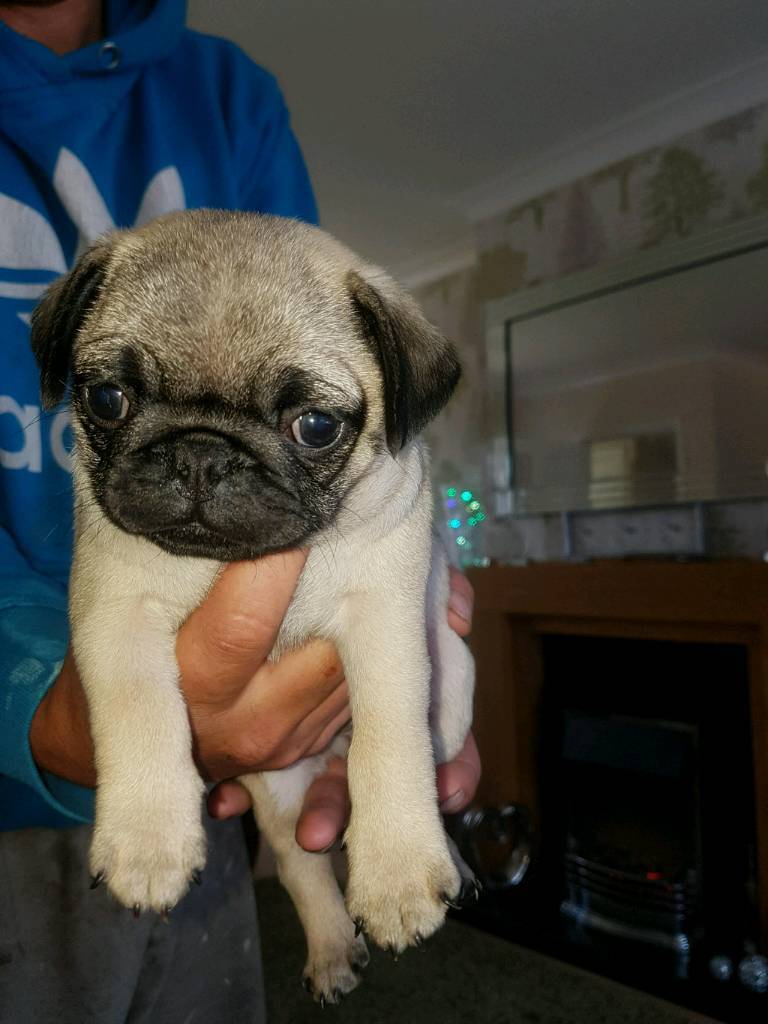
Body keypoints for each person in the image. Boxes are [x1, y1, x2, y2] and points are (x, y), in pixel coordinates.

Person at [0, 1, 480, 1021]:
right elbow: (116, 622)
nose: (205, 474)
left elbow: (388, 600)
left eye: (309, 425)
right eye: (114, 400)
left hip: (239, 766)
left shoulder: (232, 99)